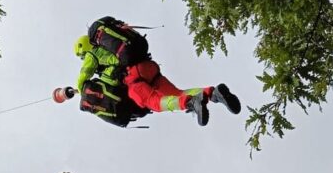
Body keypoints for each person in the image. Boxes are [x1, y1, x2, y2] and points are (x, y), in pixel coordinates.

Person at [56, 25, 241, 127]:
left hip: (133, 77)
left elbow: (83, 78)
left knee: (154, 102)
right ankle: (213, 92)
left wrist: (76, 90)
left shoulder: (93, 54)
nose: (83, 59)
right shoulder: (112, 45)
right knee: (176, 93)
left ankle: (191, 103)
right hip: (148, 67)